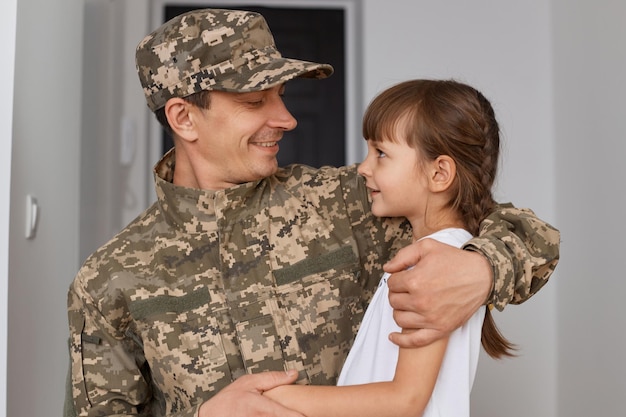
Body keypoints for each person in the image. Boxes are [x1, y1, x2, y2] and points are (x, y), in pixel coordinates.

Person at [64, 8, 560, 417]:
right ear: (183, 117)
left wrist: (482, 267)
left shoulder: (350, 201)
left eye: (281, 96)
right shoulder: (109, 279)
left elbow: (528, 233)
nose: (285, 119)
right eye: (255, 100)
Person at [263, 79, 517, 417]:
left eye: (381, 154)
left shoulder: (435, 266)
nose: (364, 168)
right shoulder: (443, 253)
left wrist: (275, 398)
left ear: (439, 173)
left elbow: (405, 400)